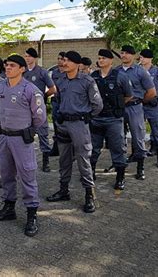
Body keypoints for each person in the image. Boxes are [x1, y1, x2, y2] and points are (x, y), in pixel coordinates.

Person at [0, 54, 46, 237]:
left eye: (12, 65)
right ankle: (9, 207)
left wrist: (29, 130)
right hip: (4, 138)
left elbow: (40, 117)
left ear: (22, 69)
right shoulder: (1, 87)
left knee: (27, 175)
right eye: (6, 65)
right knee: (6, 174)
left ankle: (31, 214)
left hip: (22, 139)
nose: (8, 68)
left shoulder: (30, 90)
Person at [46, 51, 103, 213]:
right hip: (63, 123)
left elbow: (97, 105)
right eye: (64, 60)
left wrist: (85, 117)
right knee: (64, 159)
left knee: (83, 159)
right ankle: (64, 190)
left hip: (79, 124)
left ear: (77, 64)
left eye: (68, 61)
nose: (64, 63)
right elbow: (58, 98)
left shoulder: (87, 81)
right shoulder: (60, 80)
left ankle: (89, 195)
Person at [90, 49, 133, 190]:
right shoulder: (93, 76)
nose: (100, 60)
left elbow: (128, 96)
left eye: (103, 58)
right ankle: (90, 173)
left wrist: (117, 107)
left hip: (113, 119)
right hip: (96, 118)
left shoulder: (120, 76)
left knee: (117, 148)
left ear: (110, 61)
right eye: (99, 57)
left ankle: (120, 178)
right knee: (93, 148)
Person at [117, 45, 156, 180]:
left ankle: (140, 168)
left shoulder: (140, 71)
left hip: (135, 107)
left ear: (133, 56)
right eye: (122, 53)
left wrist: (140, 101)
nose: (124, 55)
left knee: (138, 137)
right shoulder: (116, 71)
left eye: (127, 53)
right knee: (119, 138)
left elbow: (152, 92)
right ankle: (120, 167)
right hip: (120, 108)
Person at [23, 48, 56, 173]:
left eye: (29, 56)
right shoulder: (23, 72)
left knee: (43, 134)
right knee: (25, 134)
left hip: (38, 108)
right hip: (25, 108)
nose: (27, 59)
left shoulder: (42, 72)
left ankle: (46, 161)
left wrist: (43, 96)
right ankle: (26, 161)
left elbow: (53, 89)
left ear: (35, 58)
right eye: (25, 56)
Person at [139, 49, 158, 169]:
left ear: (150, 58)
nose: (141, 59)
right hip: (139, 105)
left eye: (143, 57)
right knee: (138, 133)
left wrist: (157, 97)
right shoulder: (137, 70)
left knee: (157, 132)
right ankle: (138, 156)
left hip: (153, 105)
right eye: (140, 57)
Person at [47, 51, 66, 157]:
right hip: (56, 101)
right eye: (58, 58)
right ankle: (56, 147)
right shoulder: (54, 72)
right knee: (56, 125)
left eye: (62, 59)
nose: (59, 61)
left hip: (66, 101)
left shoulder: (69, 72)